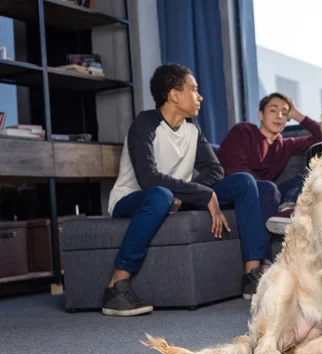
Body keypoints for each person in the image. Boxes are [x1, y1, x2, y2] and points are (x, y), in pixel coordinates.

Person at [102, 64, 270, 316]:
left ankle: (252, 275)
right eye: (194, 89)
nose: (200, 96)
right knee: (161, 194)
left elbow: (215, 170)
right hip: (133, 199)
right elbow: (148, 178)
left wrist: (192, 193)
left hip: (176, 197)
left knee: (244, 182)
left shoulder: (192, 128)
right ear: (174, 95)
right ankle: (116, 286)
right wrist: (203, 195)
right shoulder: (145, 124)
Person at [218, 92, 322, 236]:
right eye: (273, 110)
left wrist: (298, 115)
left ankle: (288, 208)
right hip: (238, 189)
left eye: (284, 113)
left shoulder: (285, 145)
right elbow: (235, 169)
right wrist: (265, 189)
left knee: (309, 174)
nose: (279, 116)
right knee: (269, 188)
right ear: (261, 115)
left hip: (269, 192)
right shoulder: (243, 131)